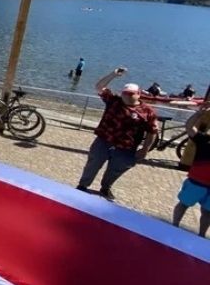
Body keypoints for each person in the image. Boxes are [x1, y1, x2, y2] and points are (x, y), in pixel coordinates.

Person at [76, 68, 158, 200]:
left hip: (126, 148)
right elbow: (99, 87)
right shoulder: (113, 100)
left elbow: (152, 131)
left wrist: (145, 149)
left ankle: (105, 188)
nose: (127, 96)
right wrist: (113, 74)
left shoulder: (148, 111)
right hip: (104, 141)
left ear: (138, 94)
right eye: (125, 93)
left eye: (131, 94)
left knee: (116, 170)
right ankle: (82, 185)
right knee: (93, 164)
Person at [172, 103, 210, 236]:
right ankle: (174, 226)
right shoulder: (205, 140)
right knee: (183, 204)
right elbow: (189, 127)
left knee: (208, 213)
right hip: (196, 181)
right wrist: (199, 114)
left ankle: (201, 235)